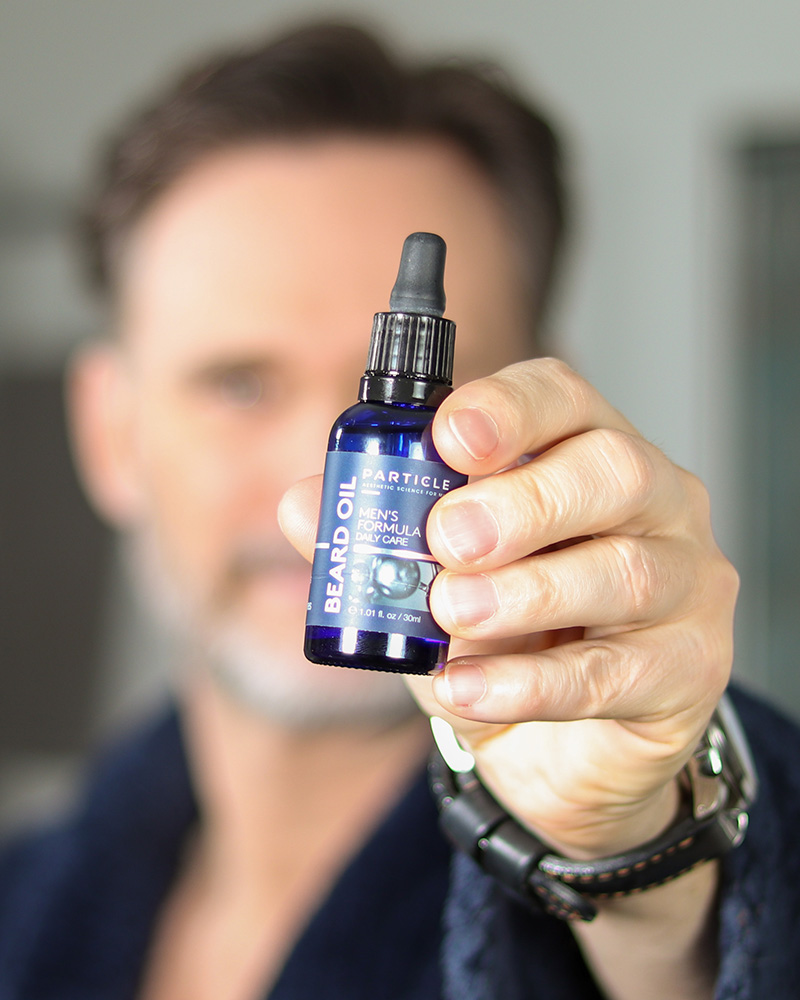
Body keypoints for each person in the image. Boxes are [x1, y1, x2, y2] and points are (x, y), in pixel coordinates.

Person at [1, 20, 799, 1000]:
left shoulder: (648, 881)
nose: (337, 490)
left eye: (433, 413)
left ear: (546, 419)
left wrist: (647, 869)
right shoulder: (21, 905)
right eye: (238, 383)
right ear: (110, 431)